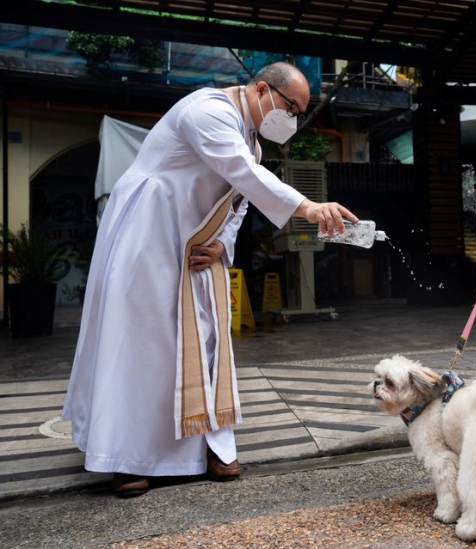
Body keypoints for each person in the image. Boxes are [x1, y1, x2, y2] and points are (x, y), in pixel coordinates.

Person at [62, 62, 358, 497]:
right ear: (262, 89)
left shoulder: (251, 139)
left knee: (205, 336)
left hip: (195, 244)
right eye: (290, 107)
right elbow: (241, 173)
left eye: (298, 113)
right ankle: (124, 455)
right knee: (140, 340)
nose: (292, 120)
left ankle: (211, 444)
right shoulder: (209, 110)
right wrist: (309, 208)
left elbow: (237, 201)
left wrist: (223, 243)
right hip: (148, 232)